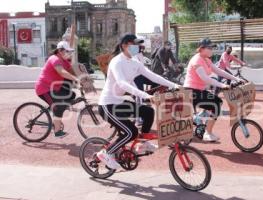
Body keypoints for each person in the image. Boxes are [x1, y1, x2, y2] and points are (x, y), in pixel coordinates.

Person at [97, 34, 179, 169]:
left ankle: (142, 143)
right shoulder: (116, 62)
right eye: (134, 44)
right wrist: (146, 96)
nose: (137, 47)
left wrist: (174, 86)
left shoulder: (135, 62)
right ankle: (106, 153)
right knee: (131, 132)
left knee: (148, 112)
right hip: (107, 105)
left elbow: (153, 76)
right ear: (124, 46)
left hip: (119, 103)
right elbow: (122, 83)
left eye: (138, 45)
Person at [183, 38, 244, 142]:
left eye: (212, 48)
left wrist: (235, 78)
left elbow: (218, 71)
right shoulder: (196, 60)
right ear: (201, 48)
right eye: (209, 48)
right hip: (191, 92)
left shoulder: (206, 59)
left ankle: (200, 121)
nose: (212, 50)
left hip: (199, 90)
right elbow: (205, 78)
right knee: (216, 103)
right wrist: (222, 85)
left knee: (216, 102)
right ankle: (207, 132)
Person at [35, 41, 79, 138]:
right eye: (67, 51)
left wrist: (83, 78)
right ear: (60, 51)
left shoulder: (65, 61)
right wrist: (76, 79)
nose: (69, 53)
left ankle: (55, 114)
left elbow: (72, 71)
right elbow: (62, 72)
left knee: (71, 95)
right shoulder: (54, 59)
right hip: (44, 89)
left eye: (69, 52)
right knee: (58, 107)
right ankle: (57, 131)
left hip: (54, 88)